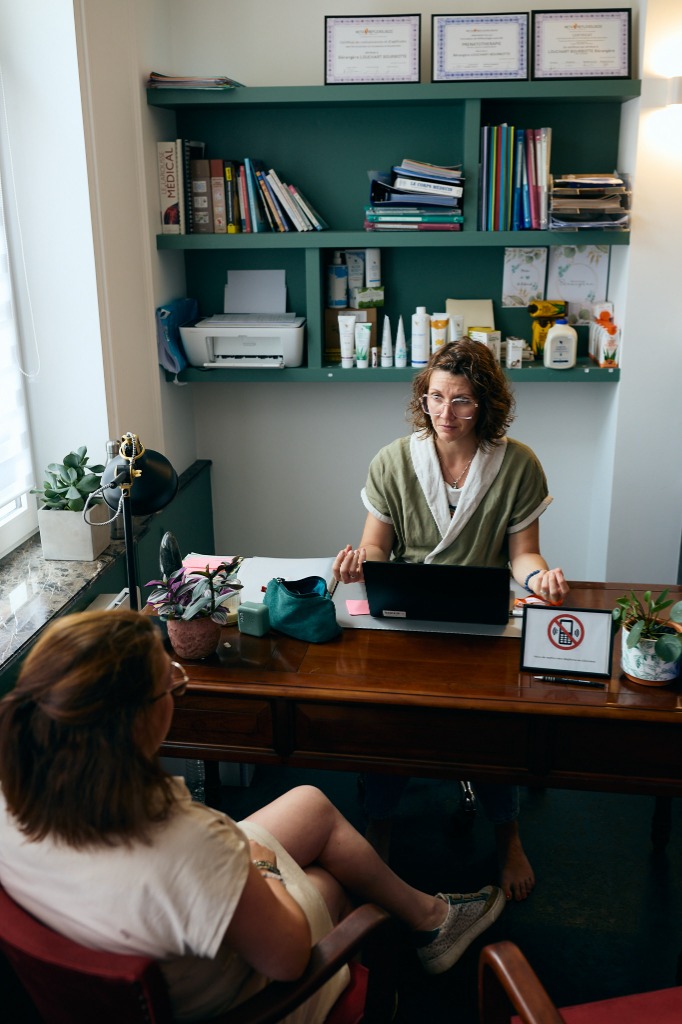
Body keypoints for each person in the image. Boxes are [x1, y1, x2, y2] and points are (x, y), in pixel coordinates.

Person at [0, 610, 505, 1023]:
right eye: (170, 684)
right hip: (235, 1004)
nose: (181, 684)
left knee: (309, 803)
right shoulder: (191, 841)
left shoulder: (12, 794)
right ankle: (403, 959)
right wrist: (261, 866)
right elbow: (286, 963)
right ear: (138, 723)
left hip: (113, 929)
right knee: (328, 886)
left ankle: (431, 918)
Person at [333, 338, 569, 902]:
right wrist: (357, 565)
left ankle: (507, 834)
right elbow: (376, 547)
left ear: (485, 403)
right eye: (436, 398)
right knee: (390, 720)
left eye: (461, 401)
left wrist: (540, 580)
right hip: (408, 615)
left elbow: (522, 555)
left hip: (482, 620)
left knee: (493, 724)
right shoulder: (393, 460)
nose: (446, 414)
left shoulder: (517, 465)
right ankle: (381, 826)